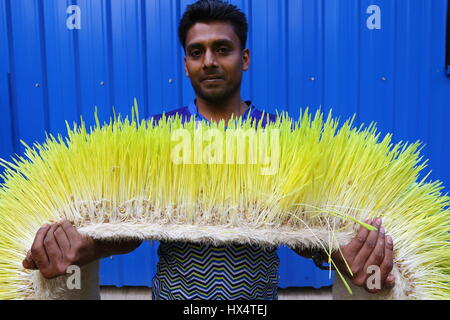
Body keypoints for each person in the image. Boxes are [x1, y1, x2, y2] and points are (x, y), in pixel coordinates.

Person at [23, 0, 395, 299]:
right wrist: (89, 246)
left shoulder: (282, 136)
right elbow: (130, 229)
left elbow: (302, 230)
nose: (210, 62)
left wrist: (336, 252)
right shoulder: (157, 135)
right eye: (196, 52)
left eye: (222, 49)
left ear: (244, 58)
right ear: (185, 65)